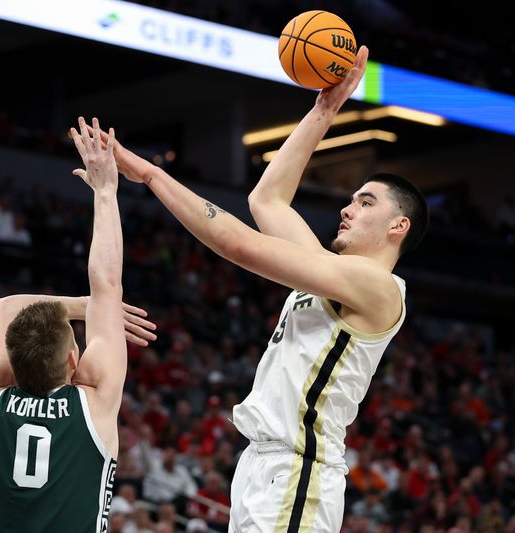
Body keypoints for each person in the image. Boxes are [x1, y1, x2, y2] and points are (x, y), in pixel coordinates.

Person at [87, 45, 429, 532]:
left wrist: (150, 174)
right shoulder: (329, 269)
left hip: (297, 469)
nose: (347, 208)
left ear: (398, 225)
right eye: (352, 199)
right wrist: (323, 110)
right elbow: (266, 199)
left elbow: (239, 245)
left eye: (365, 201)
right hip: (263, 467)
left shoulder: (378, 288)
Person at [0, 118, 156, 532]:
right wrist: (106, 192)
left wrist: (85, 307)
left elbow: (1, 308)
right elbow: (107, 282)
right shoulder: (94, 402)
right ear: (75, 358)